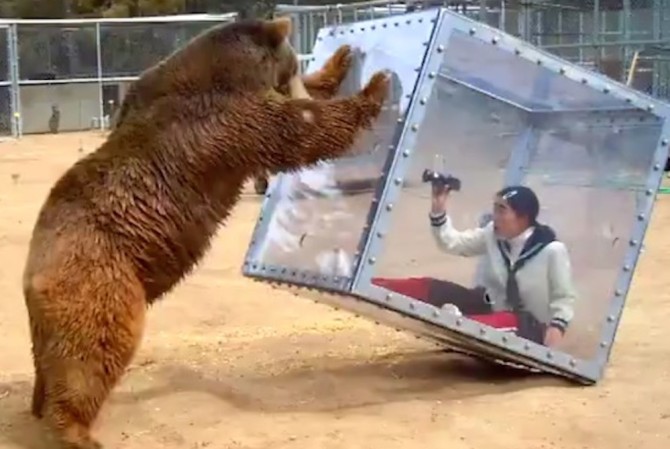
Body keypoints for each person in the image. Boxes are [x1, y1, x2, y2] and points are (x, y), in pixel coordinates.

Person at [427, 183, 577, 347]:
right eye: (495, 209)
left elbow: (564, 297)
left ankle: (461, 324)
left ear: (523, 217)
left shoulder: (552, 251)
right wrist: (438, 209)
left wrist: (557, 327)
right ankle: (460, 322)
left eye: (502, 210)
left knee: (508, 321)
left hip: (531, 327)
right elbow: (453, 243)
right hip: (493, 311)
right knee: (440, 290)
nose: (495, 216)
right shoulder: (493, 235)